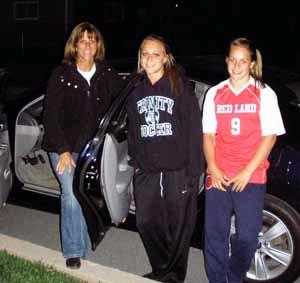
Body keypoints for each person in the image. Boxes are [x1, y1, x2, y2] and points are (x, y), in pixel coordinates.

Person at [202, 37, 286, 283]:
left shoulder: (264, 93)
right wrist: (213, 168)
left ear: (251, 64)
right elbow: (208, 136)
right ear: (227, 61)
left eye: (243, 61)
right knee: (214, 235)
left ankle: (234, 276)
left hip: (251, 175)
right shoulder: (215, 93)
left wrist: (248, 172)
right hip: (219, 174)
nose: (237, 66)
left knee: (248, 236)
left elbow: (269, 137)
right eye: (233, 60)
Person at [43, 22, 124, 269]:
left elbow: (123, 99)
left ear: (98, 45)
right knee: (70, 195)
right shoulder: (62, 74)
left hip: (92, 151)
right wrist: (64, 150)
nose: (88, 44)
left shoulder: (106, 73)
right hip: (62, 147)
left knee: (84, 196)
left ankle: (85, 238)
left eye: (92, 39)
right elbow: (50, 116)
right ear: (75, 45)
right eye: (83, 40)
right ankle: (74, 250)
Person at [126, 34, 204, 283]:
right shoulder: (135, 89)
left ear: (166, 57)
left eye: (155, 53)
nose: (149, 58)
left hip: (178, 170)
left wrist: (194, 171)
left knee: (179, 226)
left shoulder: (179, 86)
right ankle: (161, 268)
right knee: (145, 222)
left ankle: (173, 276)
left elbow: (194, 129)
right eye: (145, 53)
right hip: (147, 171)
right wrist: (136, 161)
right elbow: (134, 130)